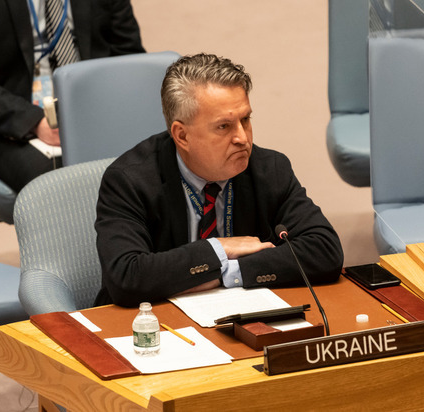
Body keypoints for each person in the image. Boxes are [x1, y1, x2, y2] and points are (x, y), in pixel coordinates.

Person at [94, 53, 343, 307]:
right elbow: (126, 276)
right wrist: (219, 249)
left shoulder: (270, 169)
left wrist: (227, 273)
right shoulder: (129, 181)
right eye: (224, 126)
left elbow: (325, 251)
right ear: (182, 136)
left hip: (247, 313)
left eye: (245, 120)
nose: (242, 138)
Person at [0, 0, 144, 195]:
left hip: (96, 113)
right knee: (62, 183)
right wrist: (34, 121)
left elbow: (130, 58)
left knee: (148, 160)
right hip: (14, 125)